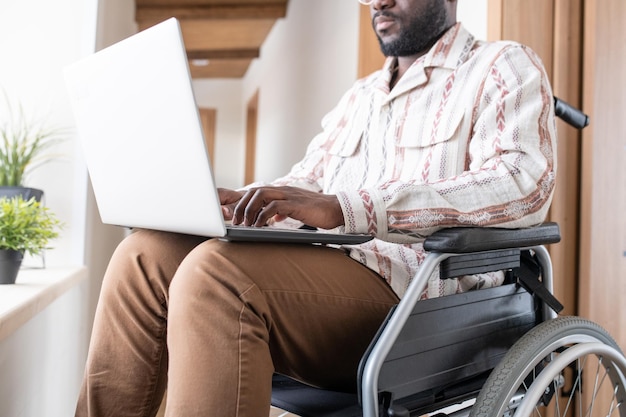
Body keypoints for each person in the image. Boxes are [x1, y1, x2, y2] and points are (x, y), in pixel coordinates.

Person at [75, 0, 557, 416]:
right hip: (329, 271)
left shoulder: (502, 65)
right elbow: (306, 181)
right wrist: (235, 202)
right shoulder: (362, 96)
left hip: (419, 299)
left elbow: (522, 184)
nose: (377, 2)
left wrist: (350, 207)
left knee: (216, 275)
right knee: (145, 254)